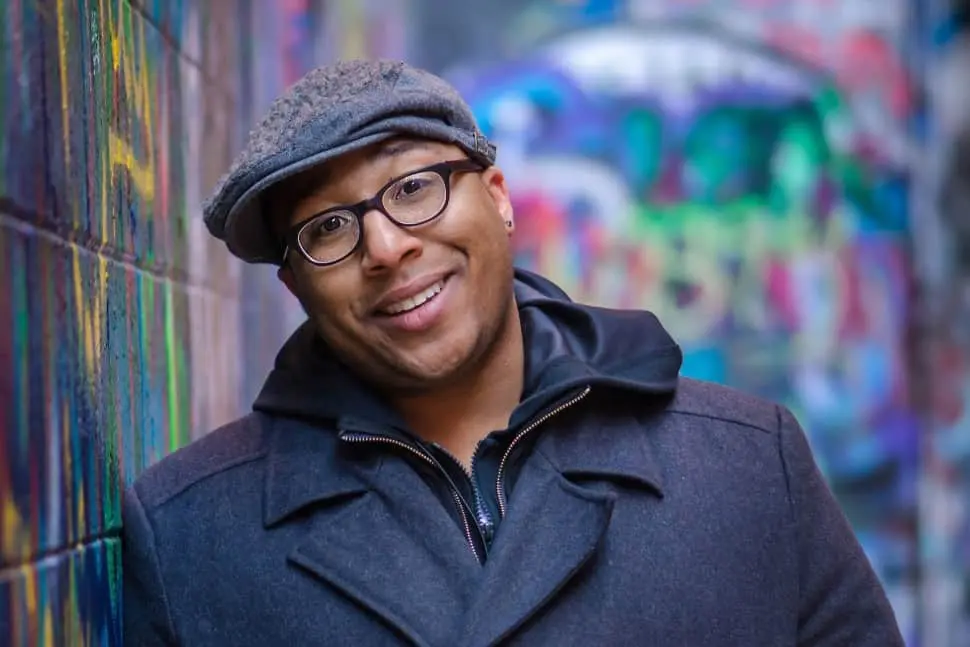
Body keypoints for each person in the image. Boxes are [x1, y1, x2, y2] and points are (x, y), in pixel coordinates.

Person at [122, 59, 904, 646]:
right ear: (296, 283)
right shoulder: (193, 535)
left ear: (496, 197)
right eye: (328, 228)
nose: (388, 247)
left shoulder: (746, 466)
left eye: (414, 186)